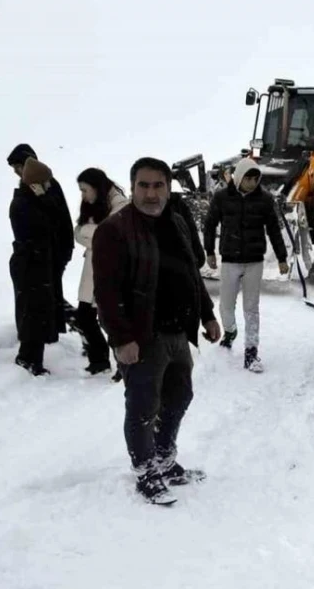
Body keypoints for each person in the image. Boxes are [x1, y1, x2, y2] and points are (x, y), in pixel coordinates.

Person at [92, 156, 222, 505]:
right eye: (143, 186)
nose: (151, 194)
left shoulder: (177, 222)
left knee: (180, 397)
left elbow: (191, 274)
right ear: (132, 188)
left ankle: (165, 459)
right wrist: (121, 339)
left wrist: (207, 316)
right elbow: (105, 293)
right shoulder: (114, 230)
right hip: (142, 338)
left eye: (158, 185)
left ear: (168, 187)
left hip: (178, 332)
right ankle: (146, 471)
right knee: (143, 407)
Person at [203, 158, 289, 373]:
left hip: (254, 261)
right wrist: (210, 252)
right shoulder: (222, 197)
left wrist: (282, 258)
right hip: (230, 260)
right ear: (239, 177)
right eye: (248, 178)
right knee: (225, 305)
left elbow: (274, 230)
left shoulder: (265, 200)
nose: (252, 183)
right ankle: (230, 331)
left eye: (255, 179)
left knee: (251, 308)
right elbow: (210, 224)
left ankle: (251, 351)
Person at [7, 144, 76, 346]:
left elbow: (58, 219)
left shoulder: (45, 184)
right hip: (45, 253)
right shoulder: (31, 187)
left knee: (48, 295)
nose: (17, 172)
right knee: (48, 294)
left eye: (19, 166)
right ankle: (72, 323)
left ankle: (79, 323)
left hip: (54, 251)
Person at [73, 168, 130, 375]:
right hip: (91, 269)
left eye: (85, 190)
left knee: (111, 319)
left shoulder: (120, 204)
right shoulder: (94, 205)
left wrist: (93, 236)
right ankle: (99, 361)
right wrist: (95, 237)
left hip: (111, 271)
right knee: (85, 316)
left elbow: (110, 236)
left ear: (97, 187)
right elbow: (78, 233)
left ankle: (122, 364)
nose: (83, 195)